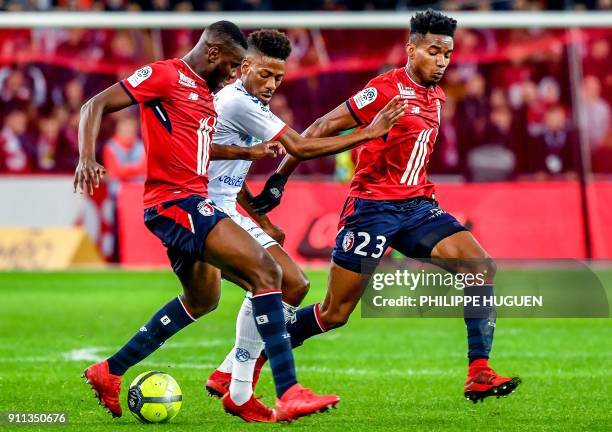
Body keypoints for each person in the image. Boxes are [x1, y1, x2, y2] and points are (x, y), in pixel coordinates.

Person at [75, 21, 404, 423]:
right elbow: (94, 104)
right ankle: (283, 391)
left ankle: (110, 370)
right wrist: (86, 157)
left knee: (203, 300)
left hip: (197, 203)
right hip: (179, 203)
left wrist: (255, 199)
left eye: (275, 77)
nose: (235, 75)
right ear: (218, 55)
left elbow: (204, 154)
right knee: (272, 276)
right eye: (238, 67)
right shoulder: (169, 75)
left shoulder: (205, 94)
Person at [249, 10, 521, 404]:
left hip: (416, 208)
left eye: (447, 53)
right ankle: (253, 358)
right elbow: (323, 126)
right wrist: (279, 179)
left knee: (480, 267)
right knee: (334, 313)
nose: (442, 60)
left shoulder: (437, 95)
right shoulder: (385, 88)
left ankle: (478, 372)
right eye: (433, 51)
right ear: (411, 50)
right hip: (372, 210)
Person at [204, 28, 406, 422]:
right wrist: (369, 131)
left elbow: (225, 171)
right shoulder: (237, 102)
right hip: (207, 213)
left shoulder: (243, 101)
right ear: (245, 65)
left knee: (282, 285)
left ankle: (230, 378)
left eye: (278, 78)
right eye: (265, 74)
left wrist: (260, 216)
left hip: (224, 207)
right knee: (278, 282)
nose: (272, 84)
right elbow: (300, 145)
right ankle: (237, 380)